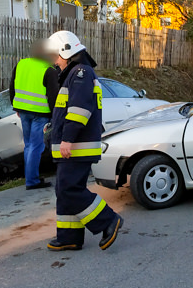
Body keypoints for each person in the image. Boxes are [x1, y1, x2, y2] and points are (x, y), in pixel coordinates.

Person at [45, 30, 123, 252]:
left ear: (66, 51)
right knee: (65, 189)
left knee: (69, 189)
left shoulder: (80, 73)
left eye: (55, 55)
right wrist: (54, 127)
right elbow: (68, 110)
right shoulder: (77, 73)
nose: (54, 61)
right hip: (73, 146)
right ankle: (69, 236)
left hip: (76, 147)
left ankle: (108, 221)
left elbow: (80, 110)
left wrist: (67, 139)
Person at [10, 40, 59, 190]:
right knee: (36, 146)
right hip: (41, 114)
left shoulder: (21, 64)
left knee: (29, 145)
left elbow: (12, 86)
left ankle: (30, 177)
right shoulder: (49, 70)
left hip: (23, 111)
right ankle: (32, 181)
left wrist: (15, 106)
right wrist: (55, 115)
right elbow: (53, 97)